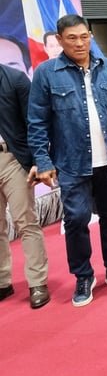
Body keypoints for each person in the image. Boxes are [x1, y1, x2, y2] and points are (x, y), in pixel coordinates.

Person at [27, 14, 107, 307]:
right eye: (72, 38)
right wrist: (42, 161)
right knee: (77, 219)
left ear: (90, 35)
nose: (80, 43)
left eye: (84, 36)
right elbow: (37, 122)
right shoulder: (46, 74)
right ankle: (83, 275)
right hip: (70, 161)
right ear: (59, 40)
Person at [0, 62, 49, 308]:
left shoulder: (15, 79)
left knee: (25, 222)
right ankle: (2, 282)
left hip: (13, 158)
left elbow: (34, 123)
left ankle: (37, 282)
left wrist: (37, 161)